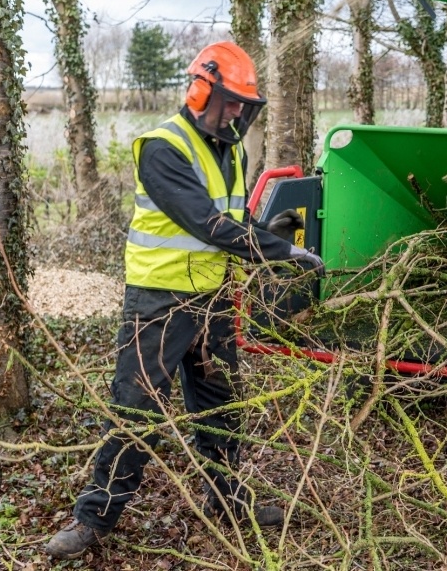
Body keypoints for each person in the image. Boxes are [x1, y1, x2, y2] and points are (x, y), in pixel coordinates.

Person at [46, 41, 323, 560]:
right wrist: (277, 250)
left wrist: (270, 235)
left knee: (221, 404)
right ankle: (94, 520)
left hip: (212, 298)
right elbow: (205, 222)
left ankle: (228, 501)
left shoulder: (231, 150)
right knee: (136, 408)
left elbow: (233, 222)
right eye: (232, 101)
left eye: (245, 103)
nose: (239, 111)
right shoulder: (163, 148)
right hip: (159, 301)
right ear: (202, 91)